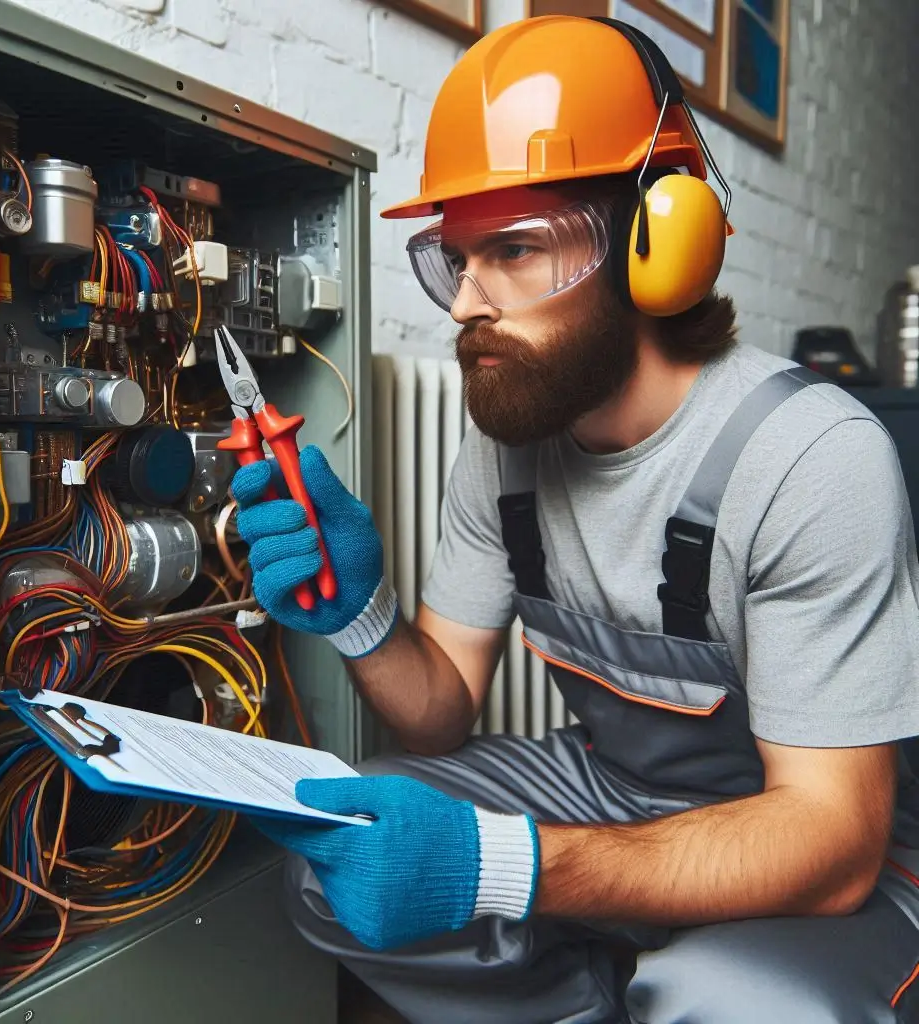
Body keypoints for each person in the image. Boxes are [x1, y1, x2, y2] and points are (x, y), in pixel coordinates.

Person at [231, 14, 919, 1023]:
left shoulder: (808, 455)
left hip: (835, 841)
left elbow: (831, 842)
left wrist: (511, 866)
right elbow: (440, 709)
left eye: (511, 248)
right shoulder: (508, 445)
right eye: (454, 258)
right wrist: (357, 610)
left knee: (729, 1000)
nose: (464, 302)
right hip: (616, 786)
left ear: (656, 244)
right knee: (333, 846)